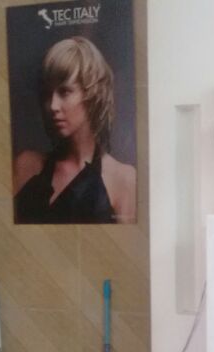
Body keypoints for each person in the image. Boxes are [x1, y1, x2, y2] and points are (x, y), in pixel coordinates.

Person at [14, 37, 137, 224]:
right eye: (47, 94)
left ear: (93, 94)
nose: (53, 106)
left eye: (64, 92)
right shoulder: (27, 165)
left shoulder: (123, 179)